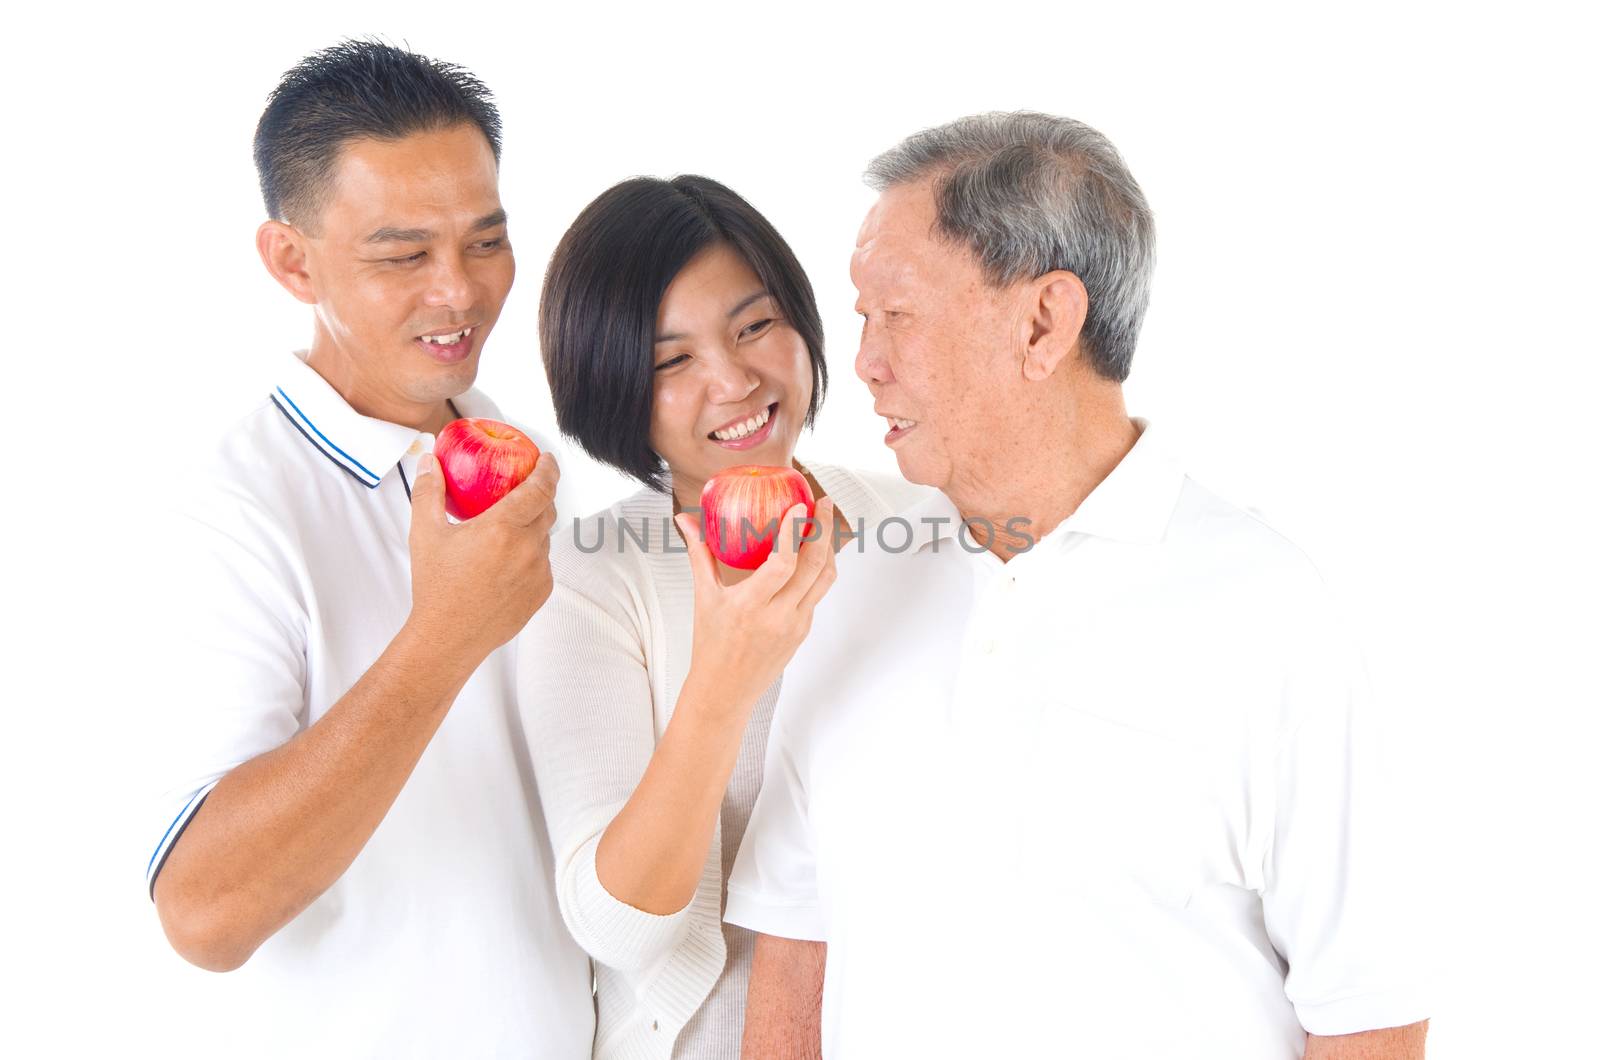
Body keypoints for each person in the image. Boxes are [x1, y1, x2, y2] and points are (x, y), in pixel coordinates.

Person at [726, 112, 1434, 1059]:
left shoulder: (1266, 612)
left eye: (896, 315)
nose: (864, 363)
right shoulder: (851, 584)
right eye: (861, 321)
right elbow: (794, 950)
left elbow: (1367, 1012)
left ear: (1043, 321)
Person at [146, 41, 593, 1058]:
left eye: (486, 241)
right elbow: (204, 912)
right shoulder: (233, 512)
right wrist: (444, 633)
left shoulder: (518, 461)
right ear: (292, 261)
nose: (461, 293)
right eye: (404, 255)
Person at [517, 175, 933, 1058]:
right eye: (673, 362)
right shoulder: (593, 575)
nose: (736, 380)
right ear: (614, 387)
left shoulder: (931, 525)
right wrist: (725, 675)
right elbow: (619, 929)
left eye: (754, 326)